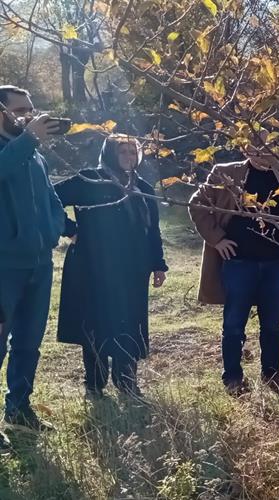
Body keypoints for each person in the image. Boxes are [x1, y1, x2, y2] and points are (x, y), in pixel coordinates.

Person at [189, 135, 279, 395]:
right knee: (234, 323)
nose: (260, 151)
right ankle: (232, 376)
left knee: (272, 324)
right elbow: (197, 204)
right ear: (245, 146)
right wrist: (217, 239)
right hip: (238, 262)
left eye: (266, 145)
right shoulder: (226, 173)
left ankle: (271, 373)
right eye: (254, 145)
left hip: (276, 261)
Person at [53, 135, 168, 399]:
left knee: (129, 322)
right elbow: (49, 198)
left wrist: (158, 264)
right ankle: (94, 384)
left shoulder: (141, 187)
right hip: (92, 264)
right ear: (109, 153)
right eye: (122, 151)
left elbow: (152, 229)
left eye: (133, 152)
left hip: (132, 268)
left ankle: (126, 381)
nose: (129, 156)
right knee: (95, 321)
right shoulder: (90, 179)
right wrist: (70, 229)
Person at [0, 85, 67, 445]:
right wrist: (27, 139)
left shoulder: (34, 155)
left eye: (31, 108)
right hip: (3, 268)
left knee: (29, 342)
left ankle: (19, 410)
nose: (29, 114)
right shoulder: (18, 149)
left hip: (40, 266)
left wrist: (58, 228)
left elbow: (51, 197)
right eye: (20, 109)